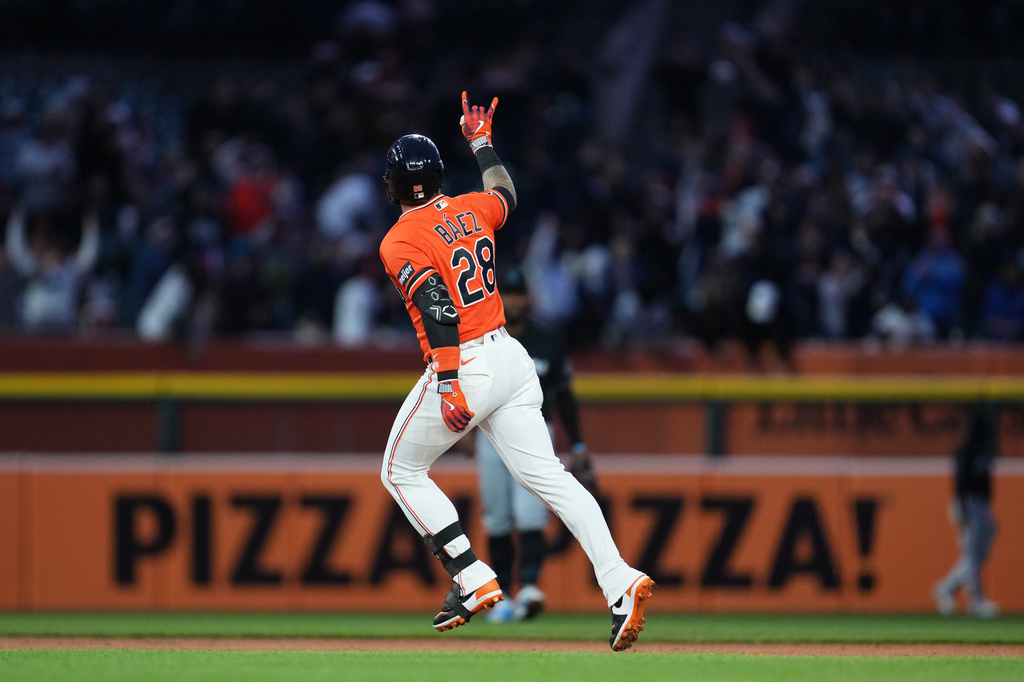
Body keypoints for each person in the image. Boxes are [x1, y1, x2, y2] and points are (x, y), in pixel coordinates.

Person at [377, 92, 654, 651]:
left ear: (394, 185)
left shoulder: (399, 239)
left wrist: (448, 382)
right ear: (436, 176)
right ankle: (620, 580)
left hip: (467, 361)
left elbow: (439, 310)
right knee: (552, 478)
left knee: (399, 470)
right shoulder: (471, 209)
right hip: (512, 356)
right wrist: (482, 143)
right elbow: (505, 193)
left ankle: (470, 575)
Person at [474, 266, 596, 623]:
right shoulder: (481, 338)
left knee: (530, 514)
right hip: (491, 431)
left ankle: (528, 587)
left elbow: (564, 395)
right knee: (497, 517)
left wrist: (577, 444)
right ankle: (501, 596)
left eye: (518, 294)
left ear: (527, 298)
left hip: (535, 432)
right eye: (508, 294)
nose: (513, 301)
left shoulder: (547, 339)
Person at [933, 404, 1000, 618]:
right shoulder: (968, 451)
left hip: (979, 504)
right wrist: (962, 509)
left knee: (978, 553)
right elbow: (960, 483)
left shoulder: (983, 450)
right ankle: (976, 600)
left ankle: (947, 588)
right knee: (972, 554)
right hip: (968, 503)